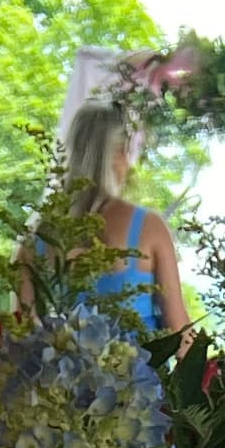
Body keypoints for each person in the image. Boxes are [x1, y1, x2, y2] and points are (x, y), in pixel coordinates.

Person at [56, 98, 187, 337]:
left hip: (60, 374)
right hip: (141, 373)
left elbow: (22, 343)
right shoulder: (149, 228)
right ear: (117, 153)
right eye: (127, 153)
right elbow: (181, 333)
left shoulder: (36, 242)